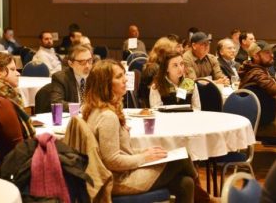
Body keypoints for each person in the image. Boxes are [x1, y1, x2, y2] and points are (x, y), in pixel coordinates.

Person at [82, 60, 209, 203]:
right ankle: (205, 199)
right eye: (118, 77)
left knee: (185, 183)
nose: (125, 79)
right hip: (118, 180)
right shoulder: (107, 117)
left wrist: (143, 152)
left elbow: (121, 151)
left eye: (124, 74)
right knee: (182, 158)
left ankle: (202, 198)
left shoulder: (97, 110)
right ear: (104, 84)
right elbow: (112, 161)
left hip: (122, 173)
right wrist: (144, 157)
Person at [238, 40, 276, 137]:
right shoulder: (256, 72)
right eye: (267, 53)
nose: (272, 55)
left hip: (260, 119)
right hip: (261, 123)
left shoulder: (257, 69)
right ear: (255, 56)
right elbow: (274, 89)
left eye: (271, 52)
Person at [49, 44, 93, 112]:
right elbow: (57, 103)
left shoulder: (95, 76)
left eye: (89, 60)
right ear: (71, 64)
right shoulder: (60, 78)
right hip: (72, 118)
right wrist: (81, 108)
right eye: (82, 62)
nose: (87, 66)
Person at [138, 37, 177, 107]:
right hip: (152, 107)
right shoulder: (155, 69)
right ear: (163, 53)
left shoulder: (153, 65)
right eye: (170, 53)